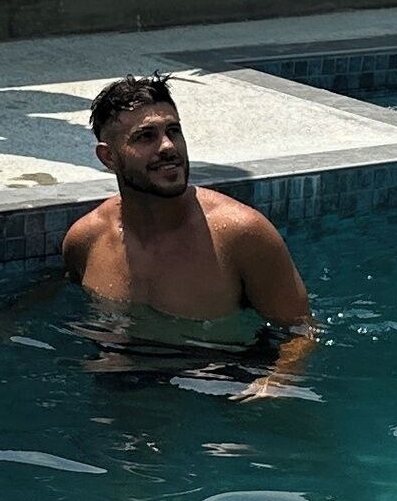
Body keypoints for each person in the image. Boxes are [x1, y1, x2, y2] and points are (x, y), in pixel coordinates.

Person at [59, 75, 317, 397]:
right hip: (126, 375)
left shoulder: (241, 234)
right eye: (145, 137)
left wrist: (275, 383)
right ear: (109, 157)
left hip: (227, 376)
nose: (167, 147)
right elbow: (64, 292)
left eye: (173, 131)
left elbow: (301, 331)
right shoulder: (86, 239)